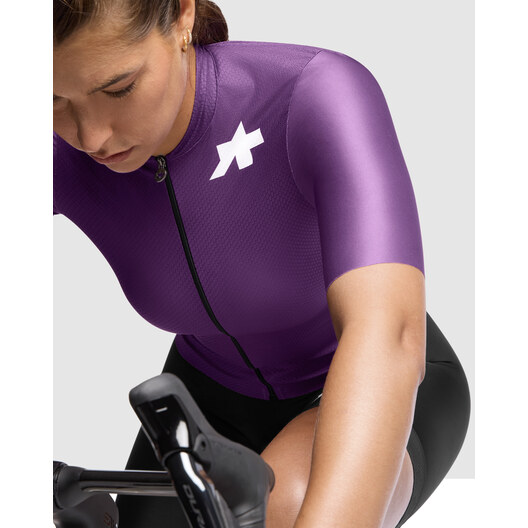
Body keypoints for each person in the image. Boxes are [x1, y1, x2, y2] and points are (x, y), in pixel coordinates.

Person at [53, 1, 471, 527]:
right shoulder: (54, 147)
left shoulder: (312, 94)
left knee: (286, 507)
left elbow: (386, 333)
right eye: (53, 99)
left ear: (181, 16)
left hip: (370, 381)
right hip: (207, 399)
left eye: (119, 89)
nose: (91, 137)